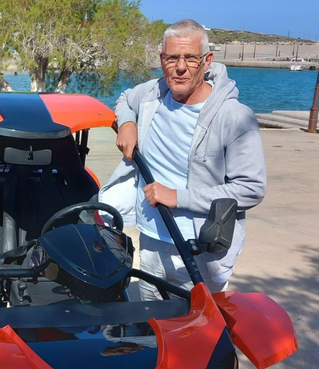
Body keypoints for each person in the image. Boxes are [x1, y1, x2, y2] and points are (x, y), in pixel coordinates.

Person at [99, 19, 266, 300]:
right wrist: (127, 123)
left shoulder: (234, 116)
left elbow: (251, 189)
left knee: (198, 324)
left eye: (190, 58)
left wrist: (178, 197)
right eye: (172, 58)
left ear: (207, 60)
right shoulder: (152, 94)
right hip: (152, 240)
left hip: (202, 251)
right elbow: (126, 99)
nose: (180, 67)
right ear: (161, 59)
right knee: (152, 321)